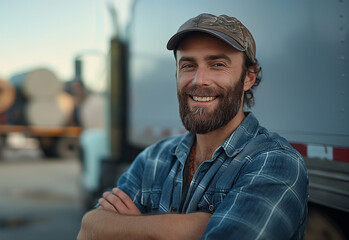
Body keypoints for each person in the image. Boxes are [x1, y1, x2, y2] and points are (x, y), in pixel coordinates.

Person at [77, 13, 308, 240]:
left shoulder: (275, 163)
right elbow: (90, 227)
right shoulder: (154, 159)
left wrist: (130, 228)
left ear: (248, 77)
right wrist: (181, 227)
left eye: (217, 64)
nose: (199, 80)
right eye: (188, 65)